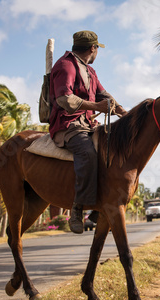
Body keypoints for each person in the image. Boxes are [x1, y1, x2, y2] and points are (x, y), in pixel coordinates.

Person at [49, 30, 127, 234]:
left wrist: (124, 113)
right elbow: (64, 99)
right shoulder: (65, 66)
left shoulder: (90, 71)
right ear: (93, 49)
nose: (96, 53)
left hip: (87, 124)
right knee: (87, 153)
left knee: (112, 150)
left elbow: (105, 96)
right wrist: (97, 106)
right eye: (97, 49)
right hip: (68, 125)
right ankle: (77, 209)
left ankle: (98, 207)